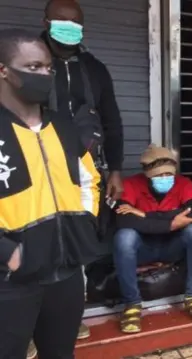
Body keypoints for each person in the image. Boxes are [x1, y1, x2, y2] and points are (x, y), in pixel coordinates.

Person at [0, 28, 101, 359]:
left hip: (65, 272)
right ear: (4, 71)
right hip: (10, 280)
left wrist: (85, 222)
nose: (44, 74)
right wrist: (7, 253)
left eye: (47, 67)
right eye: (32, 68)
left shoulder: (62, 125)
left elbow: (88, 179)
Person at [43, 0, 125, 340]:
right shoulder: (30, 61)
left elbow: (112, 122)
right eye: (61, 21)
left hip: (85, 172)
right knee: (39, 241)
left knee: (77, 243)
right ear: (46, 21)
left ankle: (69, 317)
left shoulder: (94, 68)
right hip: (39, 168)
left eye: (75, 22)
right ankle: (35, 323)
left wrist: (116, 171)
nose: (68, 27)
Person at [112, 145, 192, 333]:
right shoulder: (132, 184)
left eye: (168, 175)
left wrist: (143, 215)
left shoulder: (183, 183)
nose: (165, 179)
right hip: (144, 248)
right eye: (159, 175)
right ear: (147, 174)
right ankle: (132, 304)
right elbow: (123, 219)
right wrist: (171, 222)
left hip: (172, 247)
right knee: (124, 237)